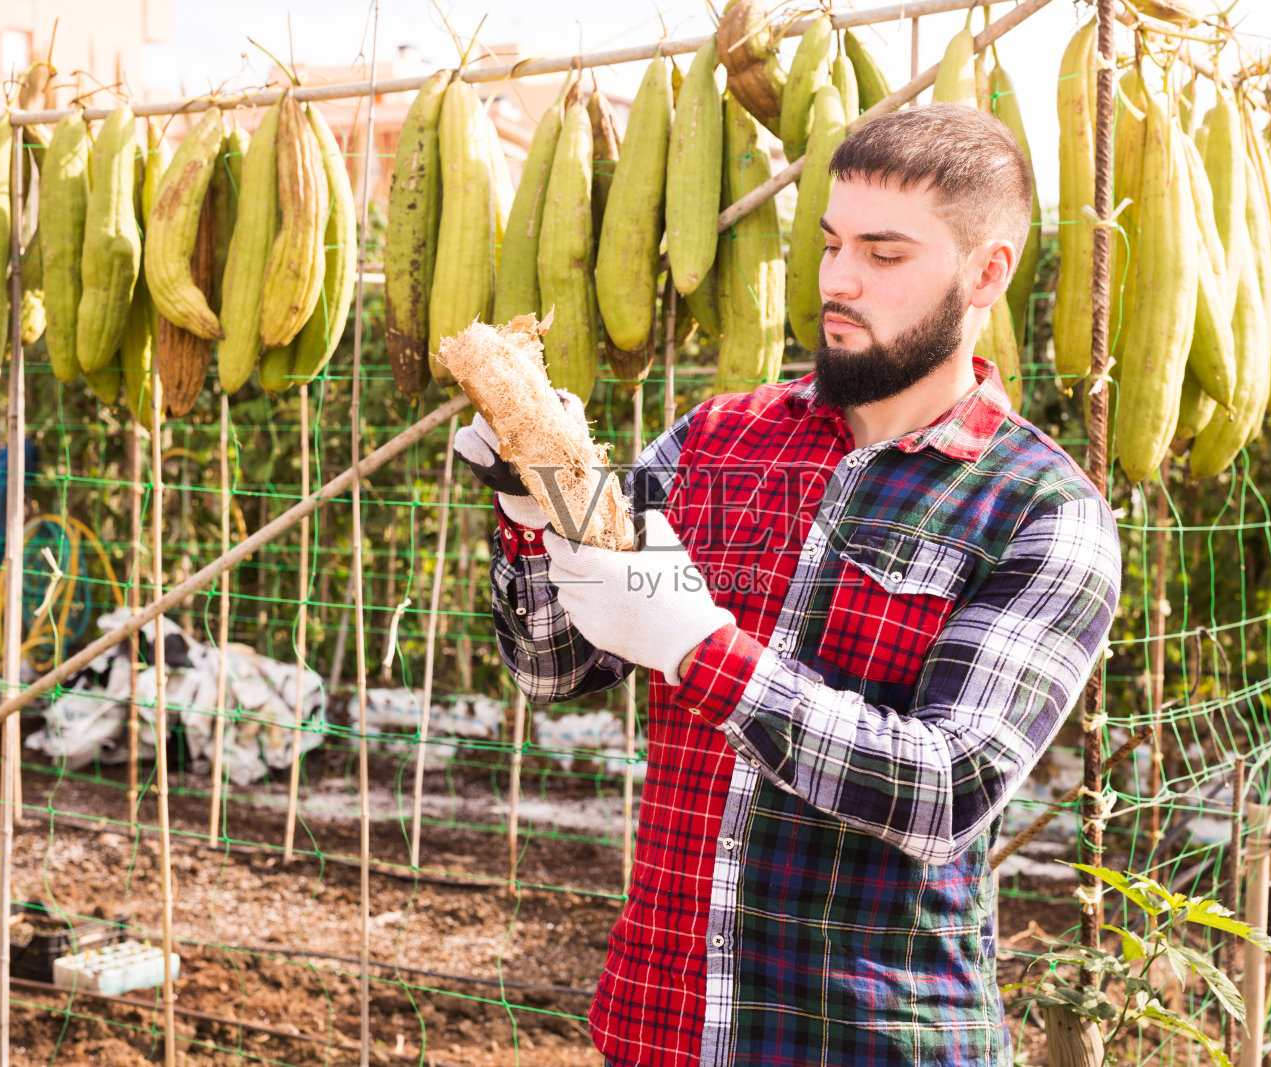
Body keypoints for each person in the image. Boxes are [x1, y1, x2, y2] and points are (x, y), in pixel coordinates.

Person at [454, 102, 1121, 1067]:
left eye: (885, 256)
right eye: (832, 244)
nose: (840, 281)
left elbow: (946, 789)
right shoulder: (713, 440)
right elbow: (556, 663)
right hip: (659, 1027)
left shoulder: (1041, 509)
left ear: (987, 272)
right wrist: (534, 504)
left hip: (864, 1040)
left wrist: (702, 649)